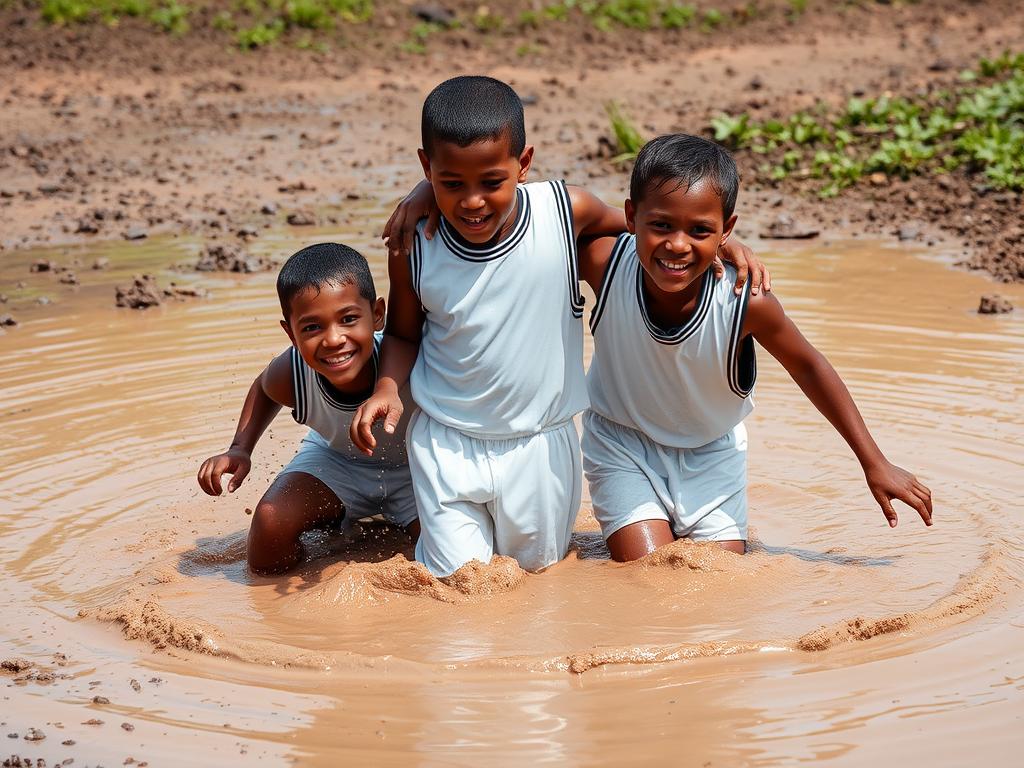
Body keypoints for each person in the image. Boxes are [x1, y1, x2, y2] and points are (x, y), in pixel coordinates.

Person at [350, 76, 767, 577]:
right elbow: (401, 333)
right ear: (427, 169)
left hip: (539, 448)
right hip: (447, 439)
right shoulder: (415, 242)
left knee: (534, 580)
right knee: (458, 584)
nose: (473, 202)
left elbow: (654, 227)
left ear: (523, 166)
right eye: (450, 183)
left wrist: (720, 244)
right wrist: (388, 388)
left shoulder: (564, 213)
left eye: (491, 182)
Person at [578, 133, 933, 560]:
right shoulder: (604, 263)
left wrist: (874, 461)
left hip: (710, 455)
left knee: (714, 576)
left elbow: (808, 366)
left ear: (726, 230)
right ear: (631, 216)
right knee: (645, 569)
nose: (677, 244)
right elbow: (541, 230)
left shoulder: (747, 302)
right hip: (622, 445)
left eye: (701, 230)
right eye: (661, 225)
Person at [197, 242, 418, 574]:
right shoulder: (293, 373)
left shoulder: (403, 358)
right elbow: (264, 387)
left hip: (416, 471)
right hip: (337, 462)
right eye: (312, 327)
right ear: (290, 333)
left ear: (377, 315)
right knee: (271, 523)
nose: (333, 339)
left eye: (348, 319)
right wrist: (240, 449)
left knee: (447, 557)